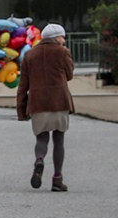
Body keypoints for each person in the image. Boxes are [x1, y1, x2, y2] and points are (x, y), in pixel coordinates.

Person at [17, 23, 75, 191]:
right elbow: (69, 75)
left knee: (41, 139)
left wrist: (21, 110)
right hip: (59, 102)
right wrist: (64, 51)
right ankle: (57, 179)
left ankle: (39, 160)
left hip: (38, 103)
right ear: (56, 37)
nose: (64, 39)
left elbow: (23, 85)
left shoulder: (29, 55)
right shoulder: (63, 52)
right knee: (59, 139)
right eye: (62, 36)